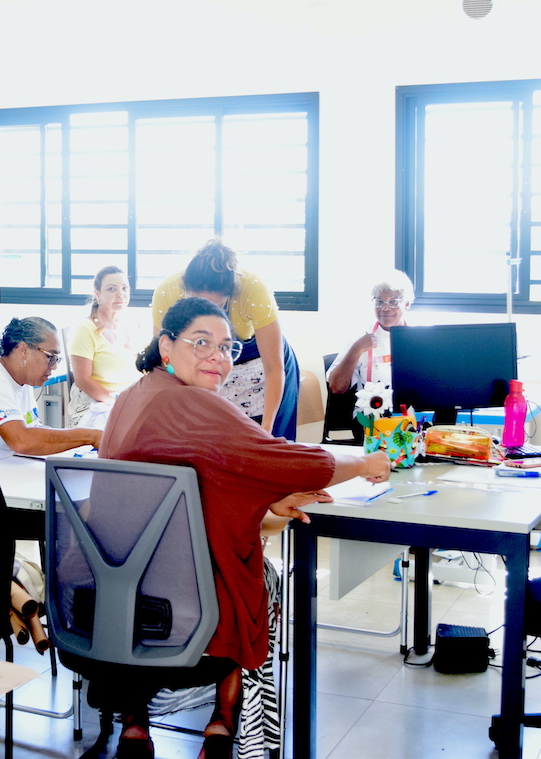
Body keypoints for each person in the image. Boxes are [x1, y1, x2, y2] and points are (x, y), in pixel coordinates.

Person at [98, 296, 391, 759]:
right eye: (202, 342)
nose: (218, 357)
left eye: (227, 347)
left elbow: (195, 487)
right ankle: (224, 724)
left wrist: (265, 498)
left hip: (116, 602)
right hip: (187, 609)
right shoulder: (196, 403)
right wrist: (365, 462)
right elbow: (294, 462)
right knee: (265, 578)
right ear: (166, 347)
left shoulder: (131, 397)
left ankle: (135, 726)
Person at [150, 239, 299, 439]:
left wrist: (266, 429)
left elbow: (274, 368)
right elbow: (164, 361)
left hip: (260, 362)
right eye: (198, 303)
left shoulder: (253, 290)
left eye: (217, 306)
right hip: (207, 362)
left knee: (264, 443)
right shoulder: (167, 292)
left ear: (230, 294)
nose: (208, 314)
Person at [0, 317, 102, 472]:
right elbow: (22, 441)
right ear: (23, 350)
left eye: (56, 359)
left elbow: (34, 429)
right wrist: (89, 436)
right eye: (50, 357)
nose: (54, 367)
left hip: (8, 467)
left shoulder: (22, 379)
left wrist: (82, 443)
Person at [66, 265, 144, 428]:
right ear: (97, 293)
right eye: (111, 289)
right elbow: (83, 380)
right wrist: (117, 402)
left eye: (124, 288)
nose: (120, 294)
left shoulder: (134, 324)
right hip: (97, 403)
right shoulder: (85, 329)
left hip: (130, 401)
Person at [326, 269, 415, 398]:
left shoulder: (420, 338)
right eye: (379, 302)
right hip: (372, 409)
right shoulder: (361, 337)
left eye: (393, 301)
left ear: (407, 303)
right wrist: (356, 349)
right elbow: (336, 387)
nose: (385, 308)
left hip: (414, 409)